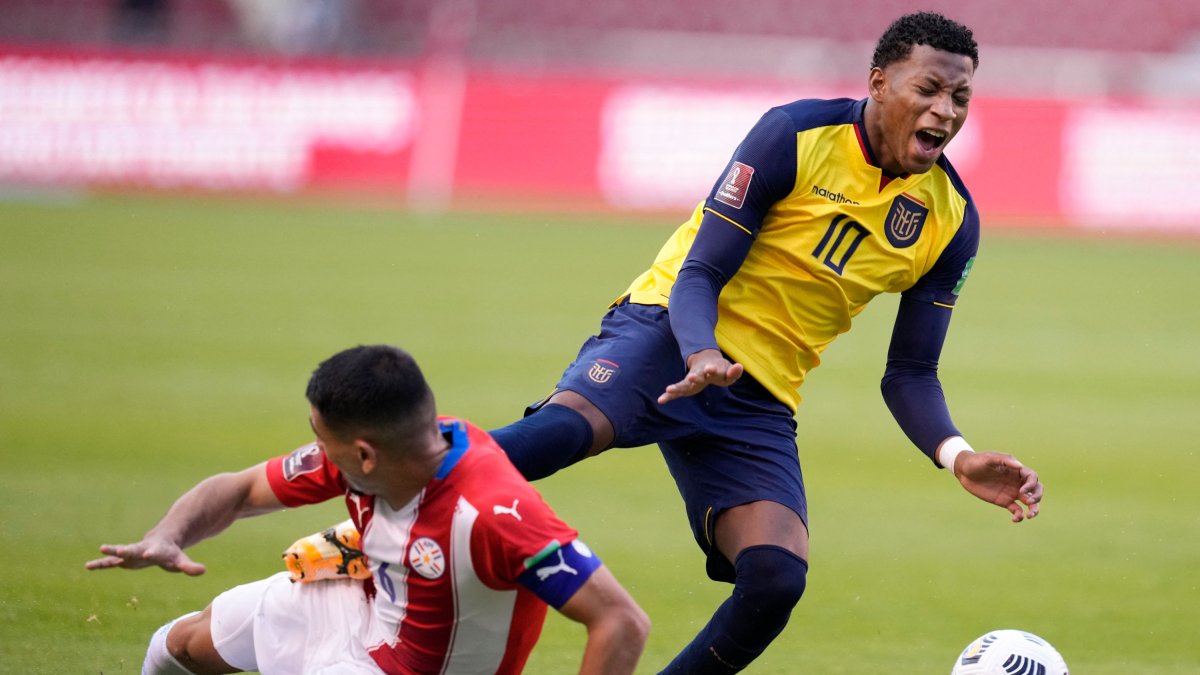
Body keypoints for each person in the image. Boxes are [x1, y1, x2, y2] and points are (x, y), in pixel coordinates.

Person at [488, 11, 1044, 674]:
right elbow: (701, 270)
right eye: (928, 89)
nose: (944, 110)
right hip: (669, 332)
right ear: (879, 83)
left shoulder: (951, 219)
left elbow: (911, 374)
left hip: (758, 395)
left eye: (960, 97)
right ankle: (375, 489)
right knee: (552, 438)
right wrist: (700, 352)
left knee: (777, 578)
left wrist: (957, 455)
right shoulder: (795, 134)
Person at [86, 345, 649, 675]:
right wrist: (169, 533)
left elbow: (622, 622)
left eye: (318, 434)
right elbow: (239, 488)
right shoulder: (366, 456)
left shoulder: (494, 512)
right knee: (179, 644)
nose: (312, 445)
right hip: (364, 609)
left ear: (364, 453)